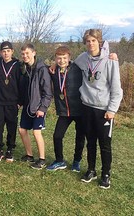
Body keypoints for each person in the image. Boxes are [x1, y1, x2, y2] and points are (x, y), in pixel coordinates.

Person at [74, 29, 123, 189]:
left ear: (99, 42)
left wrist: (112, 110)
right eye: (88, 41)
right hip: (87, 107)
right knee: (90, 142)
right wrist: (54, 64)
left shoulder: (110, 60)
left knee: (105, 144)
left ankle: (106, 174)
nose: (91, 43)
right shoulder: (83, 58)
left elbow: (117, 89)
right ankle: (91, 169)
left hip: (104, 110)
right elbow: (69, 62)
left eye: (94, 40)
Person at [46, 46, 85, 172]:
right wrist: (53, 65)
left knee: (80, 137)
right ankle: (59, 160)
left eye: (64, 58)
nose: (62, 60)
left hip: (79, 110)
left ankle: (76, 161)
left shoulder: (77, 69)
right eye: (59, 58)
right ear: (55, 59)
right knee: (57, 136)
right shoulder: (53, 70)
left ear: (69, 58)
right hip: (64, 111)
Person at [18, 43, 52, 169]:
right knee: (22, 130)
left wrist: (42, 108)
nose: (25, 56)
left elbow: (48, 92)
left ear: (34, 53)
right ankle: (29, 155)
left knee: (37, 132)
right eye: (23, 54)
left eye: (27, 53)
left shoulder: (41, 69)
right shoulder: (24, 68)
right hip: (27, 105)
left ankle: (42, 159)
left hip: (38, 107)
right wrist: (20, 102)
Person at [0, 41, 21, 162]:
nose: (6, 53)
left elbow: (21, 84)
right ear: (0, 52)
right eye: (3, 51)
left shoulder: (18, 64)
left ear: (12, 51)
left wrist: (20, 101)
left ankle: (10, 148)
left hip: (12, 102)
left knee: (11, 126)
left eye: (8, 51)